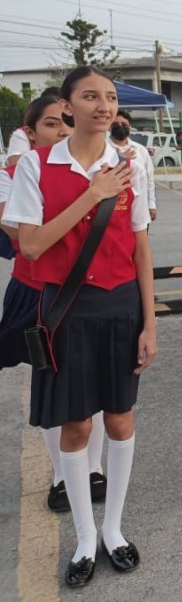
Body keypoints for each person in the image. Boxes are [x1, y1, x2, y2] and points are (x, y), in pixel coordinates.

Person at [3, 66, 156, 588]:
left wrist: (150, 322)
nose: (104, 105)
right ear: (67, 106)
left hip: (121, 306)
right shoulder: (37, 164)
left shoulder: (129, 164)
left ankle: (114, 529)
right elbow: (30, 245)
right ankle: (85, 537)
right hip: (66, 308)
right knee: (76, 426)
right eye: (90, 96)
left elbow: (140, 248)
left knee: (120, 421)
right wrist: (92, 195)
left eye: (109, 96)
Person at [0, 96, 108, 516]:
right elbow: (22, 233)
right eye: (50, 124)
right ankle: (62, 474)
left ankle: (93, 467)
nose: (62, 131)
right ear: (29, 134)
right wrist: (84, 203)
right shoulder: (13, 174)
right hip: (38, 290)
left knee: (96, 378)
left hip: (90, 289)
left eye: (66, 122)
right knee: (50, 382)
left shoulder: (100, 168)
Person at [109, 111, 157, 222]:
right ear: (109, 127)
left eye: (124, 124)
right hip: (112, 208)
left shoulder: (140, 150)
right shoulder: (102, 149)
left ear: (130, 127)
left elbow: (149, 179)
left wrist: (151, 204)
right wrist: (120, 160)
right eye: (115, 124)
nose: (120, 127)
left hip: (139, 207)